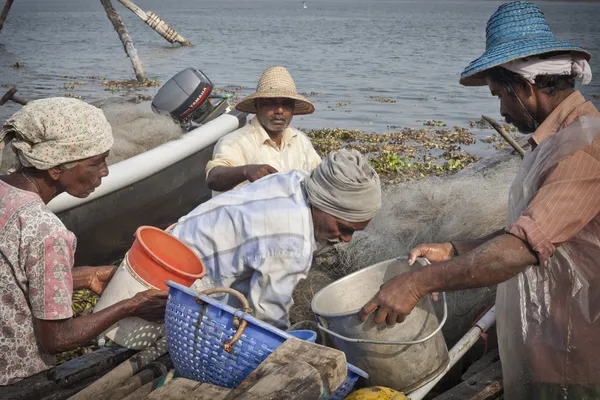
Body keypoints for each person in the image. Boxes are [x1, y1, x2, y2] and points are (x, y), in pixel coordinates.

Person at [360, 2, 600, 399]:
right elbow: (536, 231)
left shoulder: (583, 149)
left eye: (499, 96)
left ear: (524, 88)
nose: (502, 111)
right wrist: (456, 249)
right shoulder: (557, 140)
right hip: (552, 341)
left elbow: (520, 250)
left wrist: (417, 283)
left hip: (579, 356)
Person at [0, 98, 168, 385]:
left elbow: (13, 280)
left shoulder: (5, 191)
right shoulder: (47, 231)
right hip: (16, 379)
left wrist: (85, 276)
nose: (104, 171)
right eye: (96, 162)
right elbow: (58, 338)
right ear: (55, 168)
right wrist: (130, 306)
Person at [172, 149, 381, 329]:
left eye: (354, 232)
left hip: (174, 243)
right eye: (344, 228)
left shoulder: (297, 180)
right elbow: (268, 316)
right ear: (323, 205)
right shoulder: (290, 239)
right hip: (174, 289)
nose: (347, 239)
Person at [205, 66, 322, 195]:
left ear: (293, 108)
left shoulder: (300, 140)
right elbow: (213, 178)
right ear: (257, 105)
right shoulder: (234, 142)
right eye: (271, 103)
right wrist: (245, 171)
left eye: (286, 104)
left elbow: (320, 178)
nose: (279, 110)